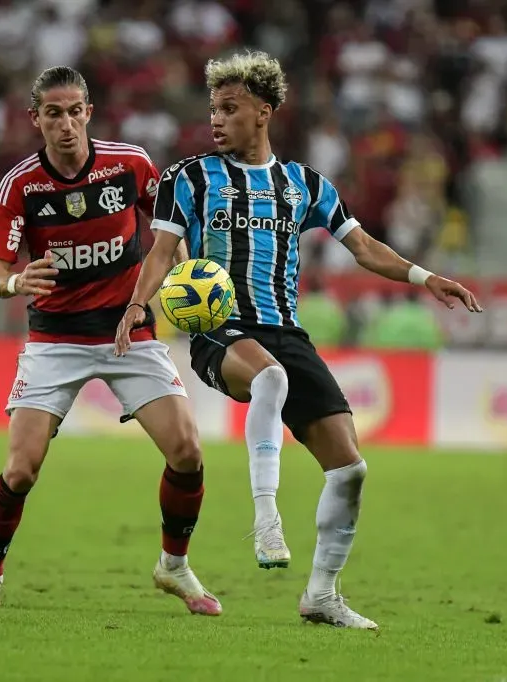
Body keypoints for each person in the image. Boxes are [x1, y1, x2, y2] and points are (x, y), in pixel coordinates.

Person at [115, 51, 481, 629]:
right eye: (213, 108)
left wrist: (425, 277)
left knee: (350, 468)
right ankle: (266, 516)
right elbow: (161, 252)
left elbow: (363, 248)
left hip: (286, 331)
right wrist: (138, 305)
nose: (216, 119)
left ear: (263, 112)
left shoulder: (304, 184)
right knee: (270, 378)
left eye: (229, 109)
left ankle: (322, 595)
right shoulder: (188, 178)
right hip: (218, 328)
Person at [0, 66, 221, 617]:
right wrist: (15, 281)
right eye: (52, 113)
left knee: (188, 451)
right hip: (54, 339)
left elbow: (169, 228)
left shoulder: (130, 164)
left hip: (129, 330)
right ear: (35, 119)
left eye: (74, 110)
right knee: (21, 470)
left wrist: (184, 275)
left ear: (89, 112)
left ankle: (173, 566)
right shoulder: (20, 186)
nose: (65, 123)